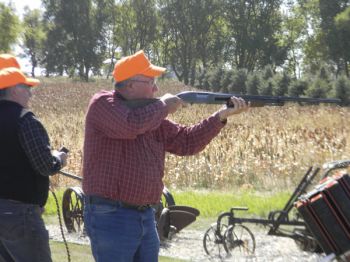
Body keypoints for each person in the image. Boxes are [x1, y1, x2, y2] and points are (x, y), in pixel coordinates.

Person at [82, 50, 249, 262]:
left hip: (146, 215)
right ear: (130, 84)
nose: (156, 88)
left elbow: (187, 141)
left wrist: (221, 115)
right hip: (112, 215)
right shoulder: (103, 103)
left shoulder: (153, 116)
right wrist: (163, 106)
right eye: (151, 81)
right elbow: (131, 124)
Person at [0, 67, 68, 262]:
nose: (30, 93)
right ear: (13, 90)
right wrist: (59, 158)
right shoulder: (24, 120)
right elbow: (45, 165)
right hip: (20, 214)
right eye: (26, 87)